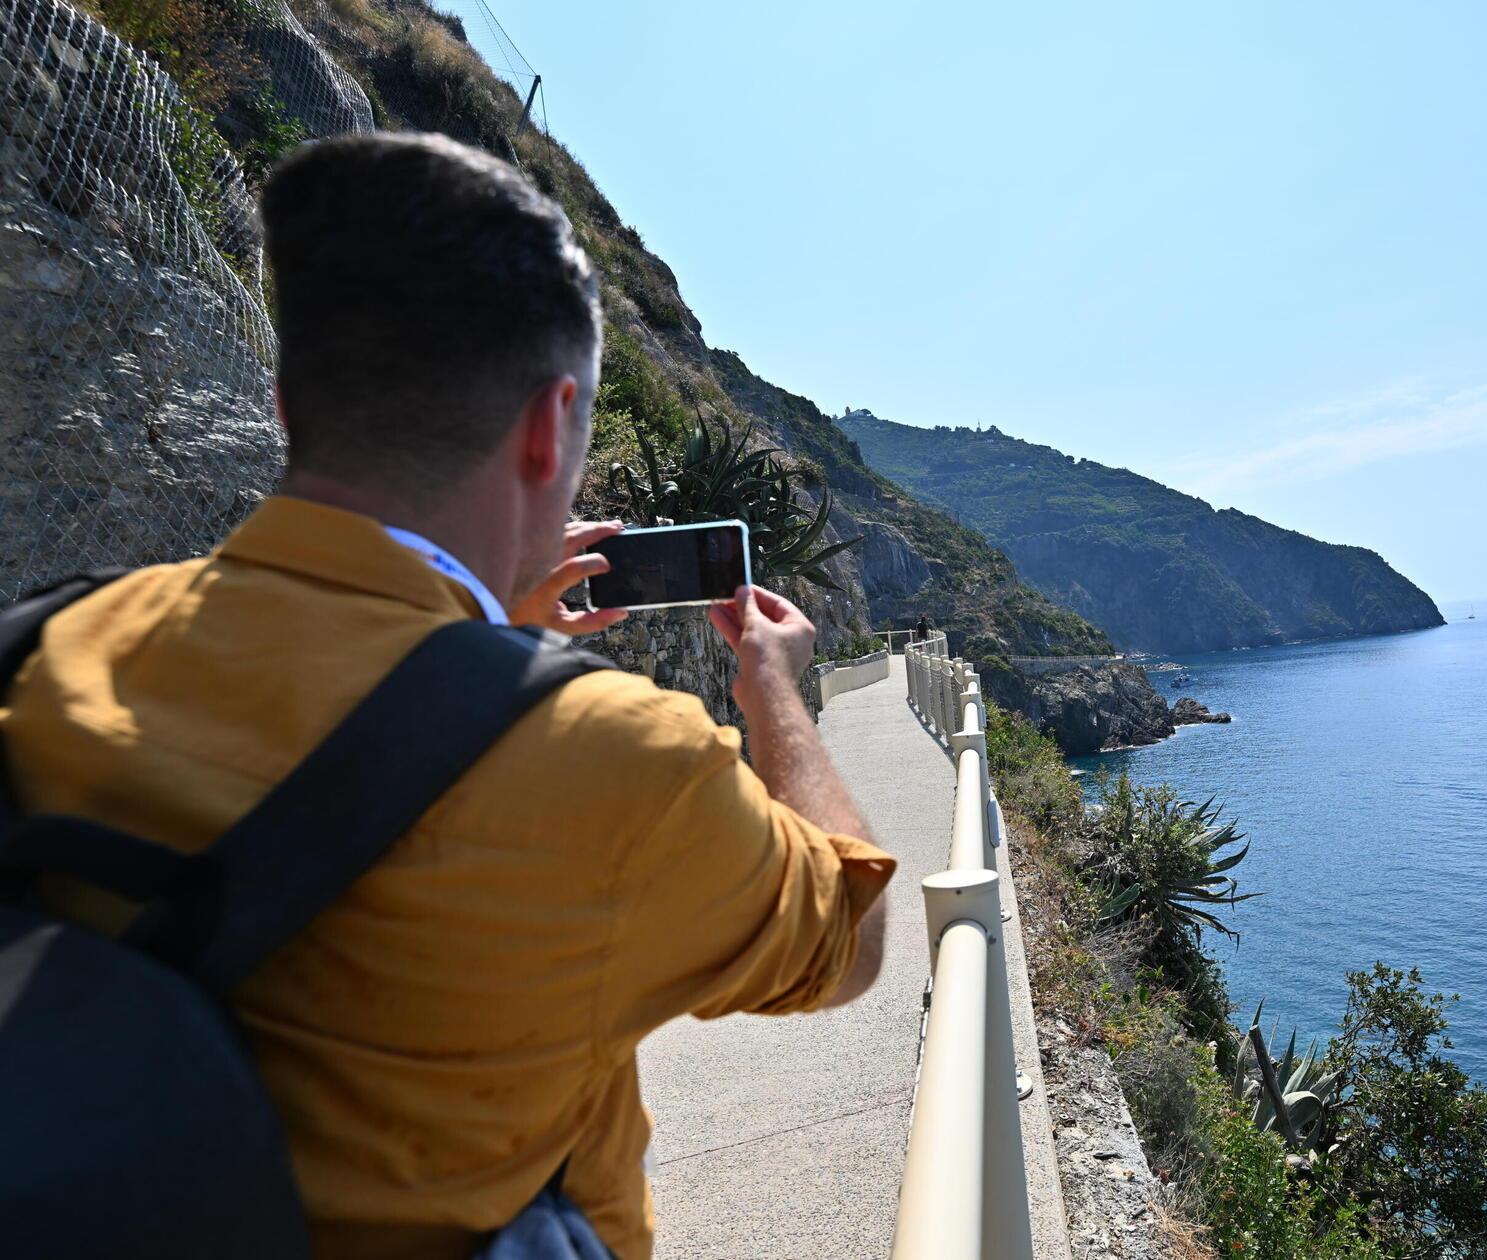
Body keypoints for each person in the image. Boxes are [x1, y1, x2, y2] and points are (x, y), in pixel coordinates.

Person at [0, 133, 894, 1260]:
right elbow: (847, 937)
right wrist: (777, 694)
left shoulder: (45, 646)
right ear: (545, 427)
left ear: (285, 404)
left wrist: (484, 639)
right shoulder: (614, 758)